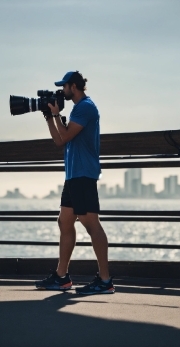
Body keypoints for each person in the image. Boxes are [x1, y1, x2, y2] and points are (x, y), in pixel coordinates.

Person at [35, 71, 114, 295]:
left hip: (83, 174)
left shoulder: (85, 107)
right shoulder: (76, 110)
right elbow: (59, 141)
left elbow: (67, 135)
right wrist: (49, 117)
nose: (62, 91)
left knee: (91, 224)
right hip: (73, 176)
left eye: (64, 87)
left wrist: (58, 115)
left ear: (73, 86)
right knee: (65, 221)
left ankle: (105, 280)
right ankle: (61, 277)